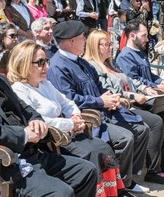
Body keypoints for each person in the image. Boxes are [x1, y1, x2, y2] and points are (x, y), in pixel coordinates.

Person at [0, 27, 98, 197]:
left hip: (30, 154)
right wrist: (23, 134)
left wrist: (35, 119)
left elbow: (24, 108)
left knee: (86, 171)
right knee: (61, 192)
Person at [7, 40, 125, 196]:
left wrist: (75, 115)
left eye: (46, 61)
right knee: (92, 153)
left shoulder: (45, 83)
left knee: (103, 148)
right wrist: (71, 124)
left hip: (68, 131)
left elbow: (66, 102)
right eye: (40, 62)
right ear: (24, 64)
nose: (46, 66)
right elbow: (39, 121)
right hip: (50, 140)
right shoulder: (19, 90)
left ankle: (112, 193)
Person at [47, 20, 150, 196]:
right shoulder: (58, 66)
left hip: (103, 110)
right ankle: (121, 185)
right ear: (72, 41)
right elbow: (70, 99)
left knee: (142, 128)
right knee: (125, 138)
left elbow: (98, 87)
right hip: (87, 117)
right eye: (82, 37)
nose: (85, 40)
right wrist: (101, 102)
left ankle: (126, 182)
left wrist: (111, 97)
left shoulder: (81, 62)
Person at [84, 29, 164, 184]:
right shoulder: (93, 67)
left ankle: (155, 166)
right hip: (115, 107)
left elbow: (132, 81)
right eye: (106, 44)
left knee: (161, 115)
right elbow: (108, 92)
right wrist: (133, 96)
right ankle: (149, 171)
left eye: (110, 44)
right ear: (95, 46)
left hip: (131, 102)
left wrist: (145, 89)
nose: (110, 47)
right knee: (154, 122)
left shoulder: (110, 64)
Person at [116, 18, 164, 91]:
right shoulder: (125, 57)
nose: (147, 39)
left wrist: (161, 81)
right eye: (143, 35)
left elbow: (149, 75)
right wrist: (155, 86)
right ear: (132, 36)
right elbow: (133, 80)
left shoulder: (140, 53)